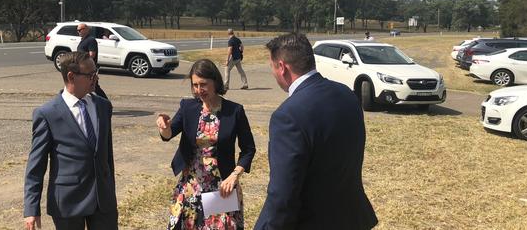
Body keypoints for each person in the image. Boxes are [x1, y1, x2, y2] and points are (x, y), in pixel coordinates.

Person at [254, 33, 378, 230]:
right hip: (353, 218)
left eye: (272, 67)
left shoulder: (288, 116)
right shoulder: (346, 94)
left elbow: (283, 195)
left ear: (282, 67)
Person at [156, 59, 256, 230]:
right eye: (195, 85)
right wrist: (164, 127)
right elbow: (169, 134)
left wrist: (234, 175)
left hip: (221, 186)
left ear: (215, 82)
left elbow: (248, 149)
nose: (198, 90)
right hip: (191, 185)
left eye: (203, 84)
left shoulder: (235, 111)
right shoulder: (188, 107)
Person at [23, 52, 118, 230]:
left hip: (103, 202)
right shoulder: (48, 113)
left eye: (96, 72)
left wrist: (110, 191)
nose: (95, 78)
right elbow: (36, 165)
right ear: (71, 76)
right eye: (90, 75)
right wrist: (31, 208)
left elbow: (107, 155)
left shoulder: (103, 107)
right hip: (68, 202)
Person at [76, 23, 108, 100]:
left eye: (80, 30)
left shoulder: (91, 40)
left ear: (86, 29)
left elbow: (92, 55)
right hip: (82, 68)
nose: (78, 32)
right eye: (77, 30)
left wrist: (83, 61)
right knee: (86, 86)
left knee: (94, 86)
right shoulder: (83, 40)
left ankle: (106, 103)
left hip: (89, 68)